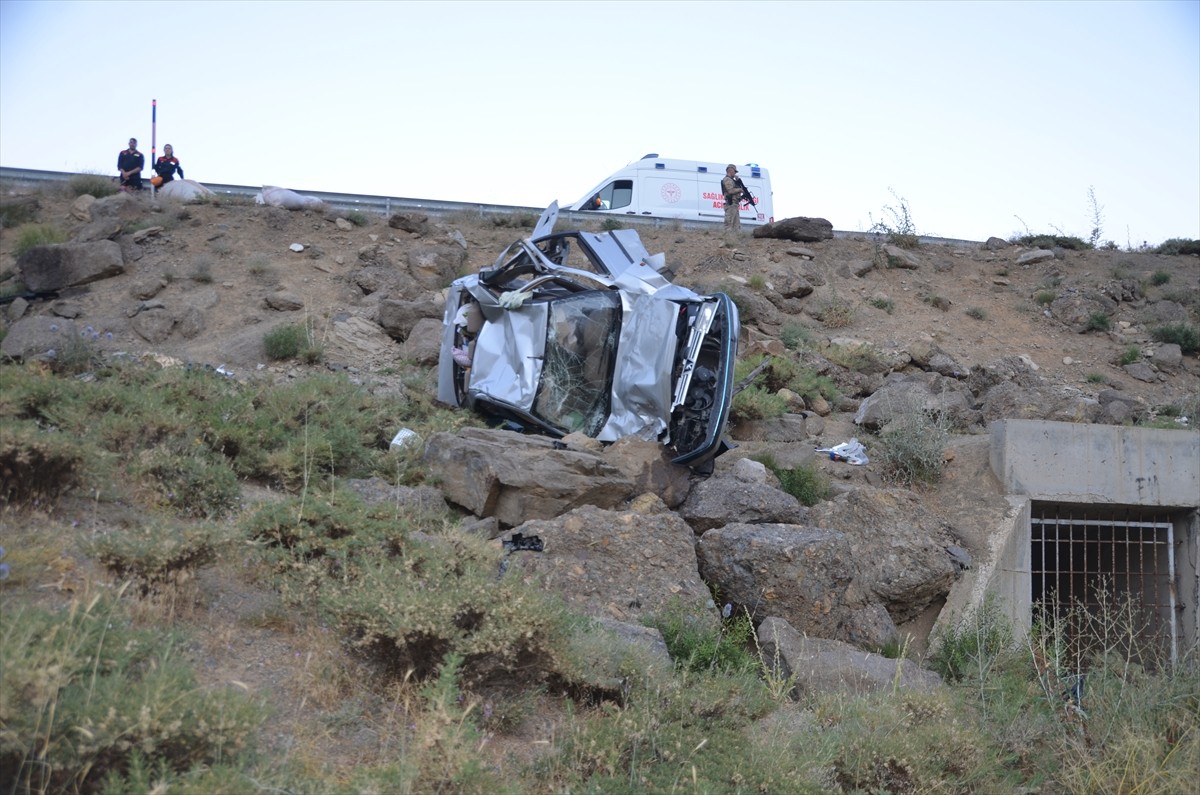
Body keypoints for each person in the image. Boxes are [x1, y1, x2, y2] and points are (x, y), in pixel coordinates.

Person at [721, 163, 746, 231]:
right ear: (730, 170)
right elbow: (730, 191)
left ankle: (734, 240)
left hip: (734, 205)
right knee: (728, 225)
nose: (735, 173)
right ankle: (727, 240)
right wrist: (740, 190)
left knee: (736, 227)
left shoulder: (732, 180)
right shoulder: (727, 179)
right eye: (734, 171)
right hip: (731, 205)